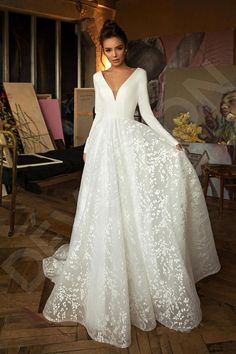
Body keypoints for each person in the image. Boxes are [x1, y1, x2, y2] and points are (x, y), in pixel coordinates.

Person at [42, 20, 220, 348]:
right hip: (104, 149)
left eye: (119, 48)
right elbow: (98, 116)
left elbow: (147, 115)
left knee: (133, 206)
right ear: (104, 51)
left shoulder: (138, 75)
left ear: (126, 47)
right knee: (104, 209)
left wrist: (170, 143)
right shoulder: (97, 77)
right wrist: (89, 149)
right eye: (108, 50)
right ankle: (107, 269)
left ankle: (137, 274)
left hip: (129, 144)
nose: (114, 54)